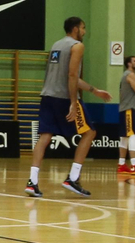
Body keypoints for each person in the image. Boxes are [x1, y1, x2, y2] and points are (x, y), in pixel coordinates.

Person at [27, 17, 110, 198]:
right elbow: (72, 75)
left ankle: (32, 182)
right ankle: (73, 178)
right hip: (63, 98)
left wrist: (94, 90)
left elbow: (65, 75)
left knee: (45, 136)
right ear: (75, 29)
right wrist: (73, 102)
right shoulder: (77, 46)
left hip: (47, 95)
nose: (85, 32)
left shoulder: (56, 45)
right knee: (90, 132)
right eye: (83, 28)